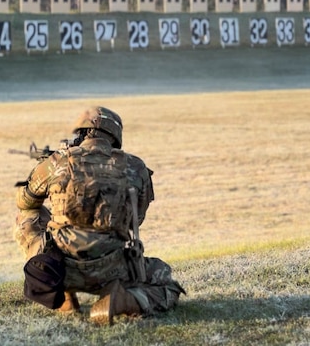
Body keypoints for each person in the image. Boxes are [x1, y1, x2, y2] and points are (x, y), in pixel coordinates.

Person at [13, 106, 185, 323]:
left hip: (60, 267)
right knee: (166, 281)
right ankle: (123, 300)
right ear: (114, 136)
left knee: (27, 217)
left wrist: (49, 176)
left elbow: (25, 202)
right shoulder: (136, 167)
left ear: (82, 133)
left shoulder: (57, 162)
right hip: (112, 271)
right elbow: (136, 221)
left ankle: (60, 293)